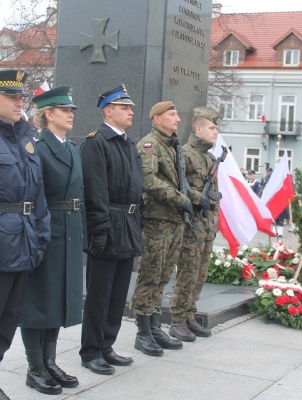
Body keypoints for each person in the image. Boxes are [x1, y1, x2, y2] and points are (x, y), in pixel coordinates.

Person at [19, 86, 85, 395]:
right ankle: (34, 368)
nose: (72, 114)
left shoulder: (71, 148)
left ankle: (49, 362)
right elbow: (31, 195)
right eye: (66, 110)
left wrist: (82, 232)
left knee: (57, 300)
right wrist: (34, 238)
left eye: (71, 110)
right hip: (46, 231)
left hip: (69, 231)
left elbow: (79, 196)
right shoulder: (36, 147)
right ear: (49, 114)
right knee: (38, 301)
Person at [79, 85, 144, 375]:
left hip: (127, 224)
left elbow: (136, 190)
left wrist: (137, 223)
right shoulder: (97, 143)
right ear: (108, 110)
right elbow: (95, 192)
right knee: (99, 293)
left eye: (130, 107)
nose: (131, 111)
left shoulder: (129, 144)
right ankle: (91, 350)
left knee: (118, 293)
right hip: (108, 224)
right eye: (124, 107)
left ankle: (107, 345)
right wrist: (100, 231)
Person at [0, 70, 51, 400]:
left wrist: (41, 236)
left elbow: (38, 196)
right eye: (12, 97)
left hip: (23, 241)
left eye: (21, 97)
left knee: (7, 322)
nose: (21, 102)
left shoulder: (25, 138)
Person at [130, 101, 194, 357]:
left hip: (173, 220)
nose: (178, 118)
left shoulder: (172, 145)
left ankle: (155, 326)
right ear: (157, 118)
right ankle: (143, 332)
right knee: (150, 276)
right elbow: (148, 180)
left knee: (164, 276)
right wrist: (180, 199)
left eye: (177, 113)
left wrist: (188, 198)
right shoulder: (150, 144)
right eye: (172, 114)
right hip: (157, 221)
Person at [169, 106, 222, 341]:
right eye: (212, 128)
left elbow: (215, 195)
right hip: (192, 225)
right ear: (198, 129)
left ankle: (190, 314)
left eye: (216, 129)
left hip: (207, 226)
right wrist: (196, 198)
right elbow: (180, 186)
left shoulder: (210, 157)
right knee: (187, 273)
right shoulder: (185, 154)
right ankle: (177, 319)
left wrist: (216, 220)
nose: (215, 132)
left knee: (200, 274)